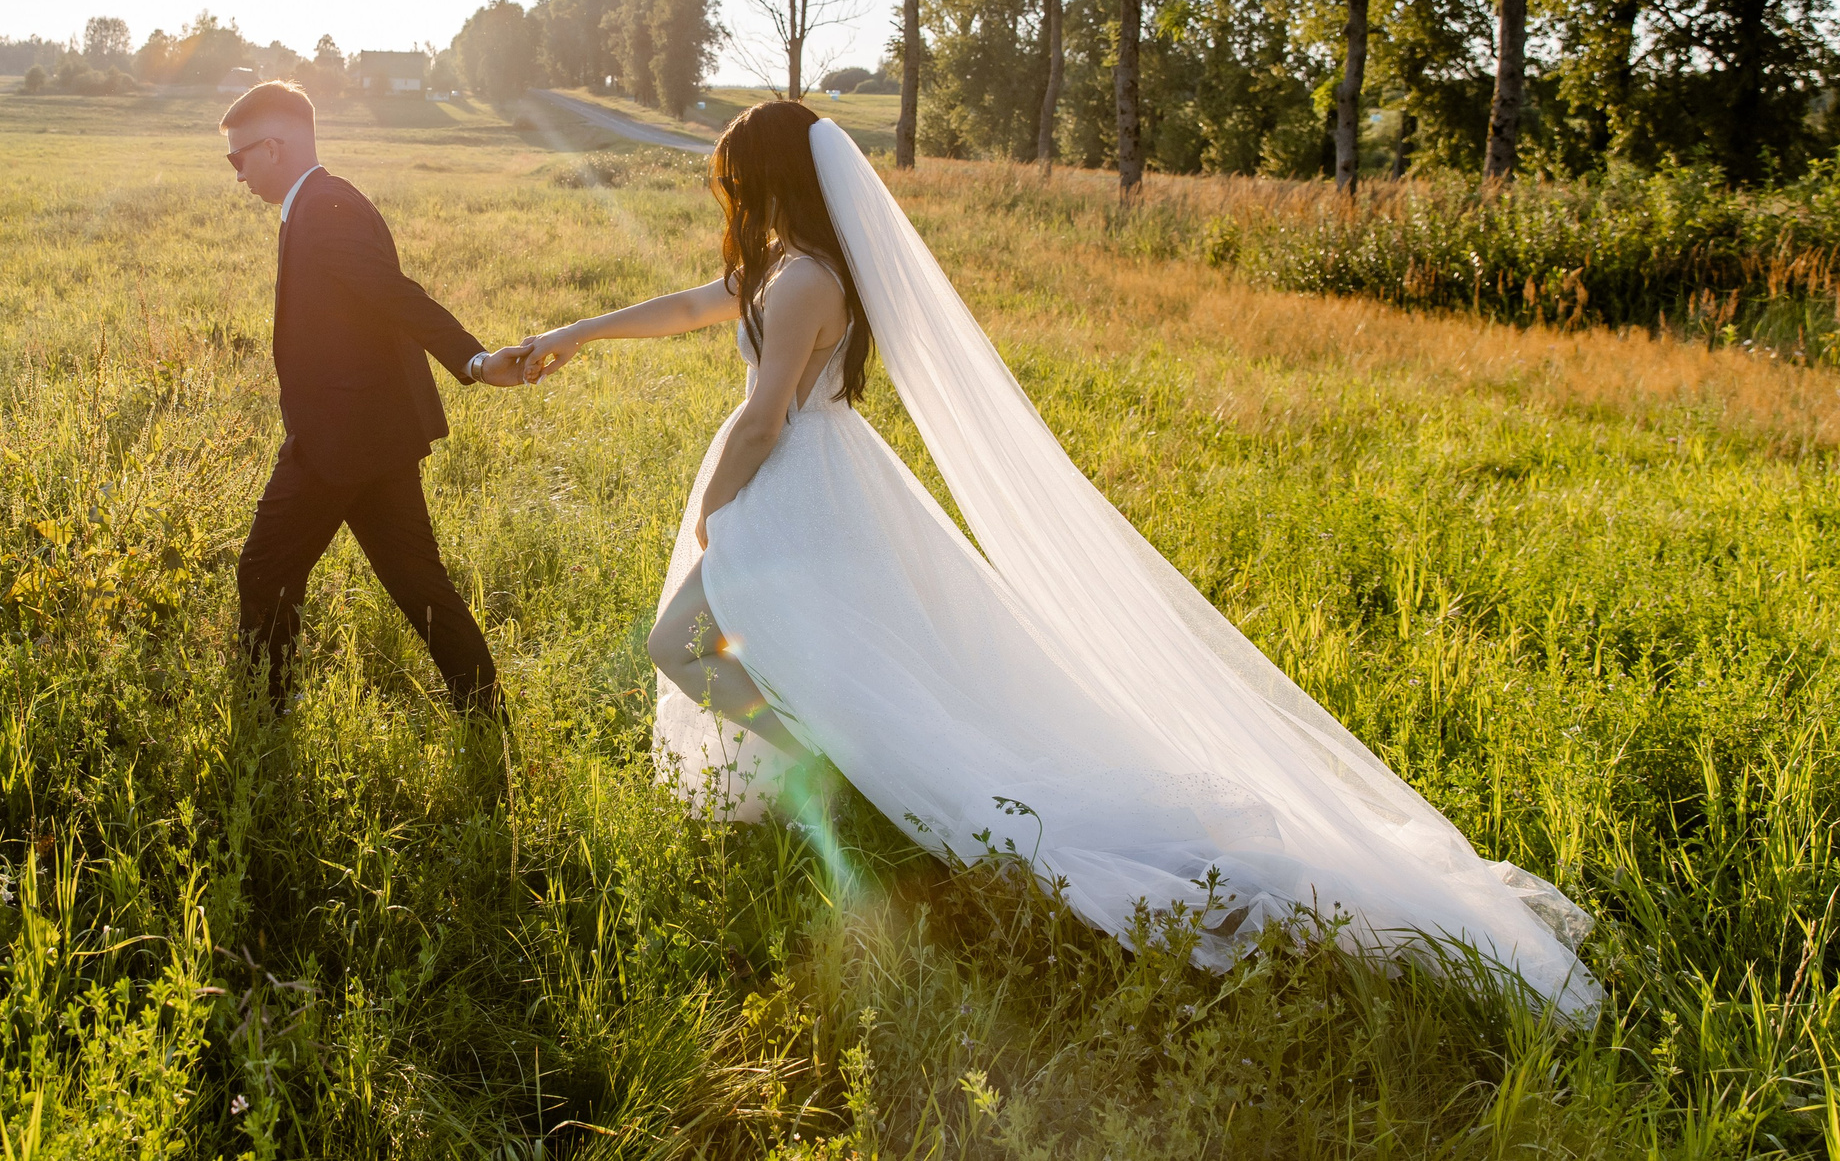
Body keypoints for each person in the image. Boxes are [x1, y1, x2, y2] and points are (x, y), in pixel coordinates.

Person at [518, 99, 1600, 1013]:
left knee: (684, 640)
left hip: (789, 485)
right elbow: (694, 306)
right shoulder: (786, 267)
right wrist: (573, 333)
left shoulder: (805, 280)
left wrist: (712, 507)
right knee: (796, 651)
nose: (726, 201)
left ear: (766, 179)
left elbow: (761, 417)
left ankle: (832, 763)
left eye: (731, 182)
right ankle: (832, 758)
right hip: (811, 485)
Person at [220, 80, 529, 717]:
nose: (237, 175)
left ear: (273, 147)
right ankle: (484, 708)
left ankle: (264, 711)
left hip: (337, 440)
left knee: (264, 571)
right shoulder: (319, 203)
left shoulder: (326, 208)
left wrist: (472, 360)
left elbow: (395, 295)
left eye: (238, 158)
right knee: (416, 581)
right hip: (372, 435)